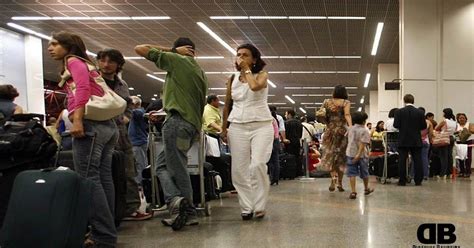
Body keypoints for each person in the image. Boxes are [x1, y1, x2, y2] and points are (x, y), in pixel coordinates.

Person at [48, 31, 117, 247]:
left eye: (55, 44)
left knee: (89, 178)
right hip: (107, 125)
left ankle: (102, 235)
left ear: (68, 46)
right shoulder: (86, 63)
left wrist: (77, 120)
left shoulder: (73, 62)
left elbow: (83, 89)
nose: (50, 48)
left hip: (90, 124)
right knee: (103, 178)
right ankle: (108, 229)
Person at [135, 37, 208, 229]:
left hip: (176, 123)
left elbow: (140, 48)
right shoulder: (199, 71)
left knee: (176, 169)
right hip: (191, 126)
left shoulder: (177, 60)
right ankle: (185, 210)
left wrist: (172, 50)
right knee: (163, 165)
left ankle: (177, 202)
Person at [96, 49, 152, 222]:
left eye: (110, 61)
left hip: (120, 133)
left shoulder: (122, 85)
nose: (106, 65)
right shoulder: (92, 82)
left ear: (118, 64)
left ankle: (131, 208)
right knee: (103, 173)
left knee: (129, 170)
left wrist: (125, 118)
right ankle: (105, 213)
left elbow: (127, 104)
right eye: (102, 61)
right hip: (99, 132)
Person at [221, 43, 273, 220]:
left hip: (262, 124)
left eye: (245, 55)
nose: (241, 58)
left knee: (258, 164)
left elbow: (254, 87)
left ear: (254, 59)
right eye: (238, 55)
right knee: (239, 168)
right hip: (237, 125)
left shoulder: (262, 75)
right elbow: (227, 104)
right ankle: (246, 206)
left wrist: (247, 70)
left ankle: (260, 205)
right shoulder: (232, 78)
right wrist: (223, 128)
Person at [320, 85, 352, 192]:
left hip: (330, 131)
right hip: (342, 132)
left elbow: (321, 115)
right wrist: (351, 127)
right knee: (341, 158)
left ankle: (333, 178)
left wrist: (328, 123)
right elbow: (347, 115)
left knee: (331, 156)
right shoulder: (346, 102)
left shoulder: (326, 102)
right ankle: (340, 183)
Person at [393, 94, 426, 186]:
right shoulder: (420, 112)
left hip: (403, 139)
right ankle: (418, 180)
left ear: (404, 101)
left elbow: (395, 125)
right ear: (413, 101)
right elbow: (424, 126)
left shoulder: (399, 112)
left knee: (402, 160)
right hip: (416, 139)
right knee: (417, 160)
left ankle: (402, 181)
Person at [346, 112, 374, 199]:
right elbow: (363, 144)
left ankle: (353, 192)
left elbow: (347, 138)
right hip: (361, 155)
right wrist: (358, 154)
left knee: (352, 173)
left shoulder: (350, 129)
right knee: (364, 172)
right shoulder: (365, 130)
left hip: (350, 153)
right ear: (363, 121)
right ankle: (366, 189)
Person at [128, 96, 148, 186]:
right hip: (137, 142)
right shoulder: (139, 113)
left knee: (140, 164)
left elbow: (134, 112)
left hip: (138, 142)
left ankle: (139, 184)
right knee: (140, 163)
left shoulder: (139, 112)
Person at [410, 107, 433, 180]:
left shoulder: (413, 121)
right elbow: (430, 133)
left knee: (414, 158)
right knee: (425, 158)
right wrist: (429, 140)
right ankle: (425, 175)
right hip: (425, 141)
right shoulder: (428, 122)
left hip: (415, 141)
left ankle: (413, 174)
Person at [435, 108, 457, 179]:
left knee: (443, 157)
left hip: (444, 138)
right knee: (449, 156)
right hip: (451, 138)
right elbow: (455, 130)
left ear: (445, 113)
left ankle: (442, 173)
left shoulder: (444, 121)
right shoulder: (454, 122)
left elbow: (437, 128)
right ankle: (449, 173)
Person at [285, 110, 303, 176]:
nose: (285, 116)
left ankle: (291, 172)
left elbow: (285, 133)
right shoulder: (299, 123)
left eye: (286, 114)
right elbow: (301, 134)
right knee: (297, 157)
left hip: (289, 142)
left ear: (289, 114)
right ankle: (298, 172)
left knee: (289, 157)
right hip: (297, 142)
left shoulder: (286, 123)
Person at [456, 113, 473, 178]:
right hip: (459, 141)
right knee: (460, 157)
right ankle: (461, 171)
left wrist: (465, 131)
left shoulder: (469, 124)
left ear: (466, 119)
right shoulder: (456, 125)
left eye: (463, 118)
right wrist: (457, 133)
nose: (462, 119)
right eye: (460, 118)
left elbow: (472, 130)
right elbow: (454, 133)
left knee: (468, 157)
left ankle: (468, 171)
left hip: (468, 141)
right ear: (458, 119)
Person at [267, 107, 280, 185]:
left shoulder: (269, 120)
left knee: (270, 161)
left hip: (271, 140)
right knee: (276, 160)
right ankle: (276, 178)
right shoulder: (274, 119)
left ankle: (272, 178)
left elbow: (270, 132)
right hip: (276, 140)